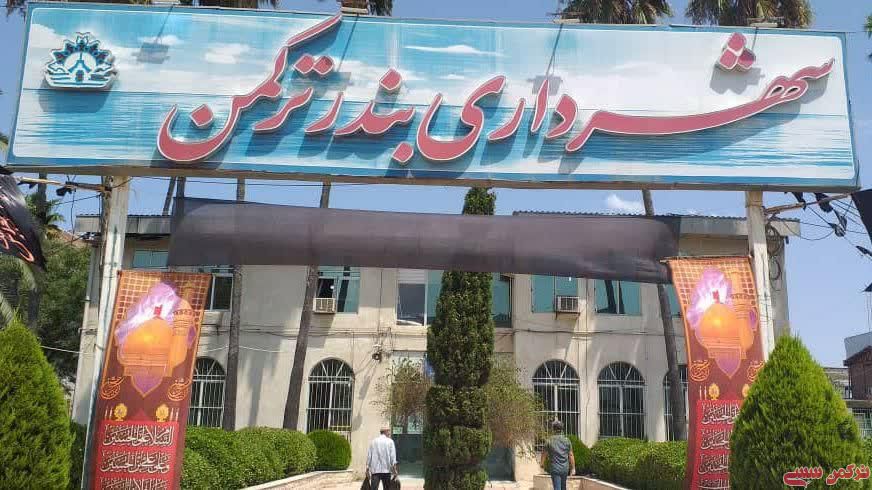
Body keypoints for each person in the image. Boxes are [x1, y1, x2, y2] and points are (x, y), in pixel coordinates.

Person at [540, 420, 575, 490]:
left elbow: (544, 454)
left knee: (557, 487)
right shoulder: (567, 440)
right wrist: (573, 468)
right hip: (565, 468)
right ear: (562, 429)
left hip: (555, 468)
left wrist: (542, 463)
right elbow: (571, 455)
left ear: (553, 429)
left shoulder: (549, 440)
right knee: (563, 487)